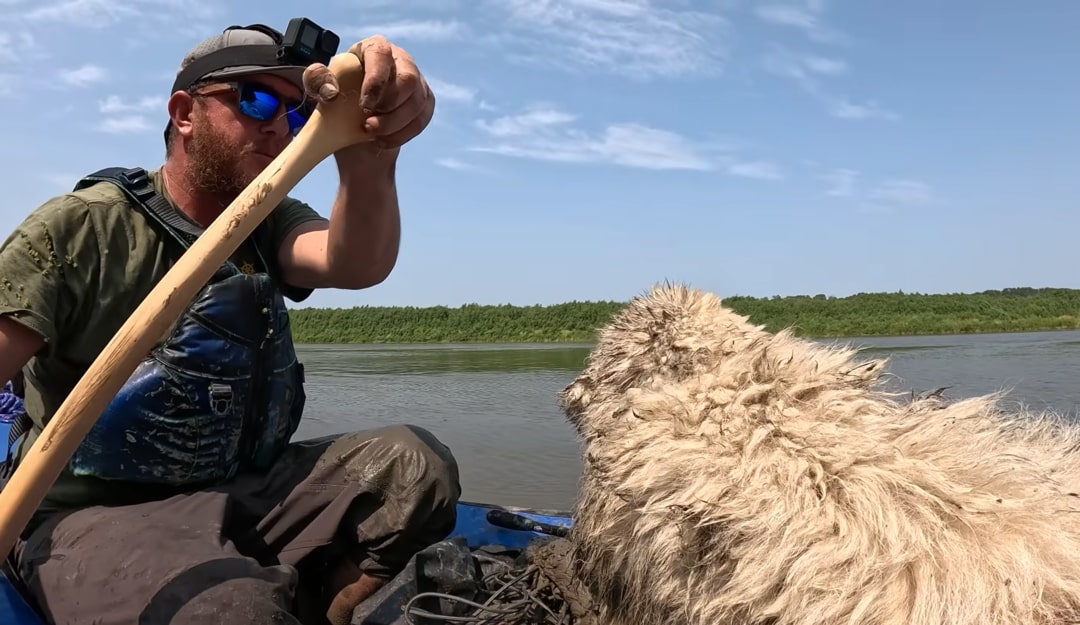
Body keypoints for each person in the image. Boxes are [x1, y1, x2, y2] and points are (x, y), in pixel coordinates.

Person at [0, 19, 461, 625]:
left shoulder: (267, 222)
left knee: (413, 466)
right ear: (185, 112)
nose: (278, 125)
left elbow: (354, 262)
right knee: (229, 609)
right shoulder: (83, 227)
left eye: (297, 113)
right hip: (90, 516)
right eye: (256, 98)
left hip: (240, 491)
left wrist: (371, 153)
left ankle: (327, 607)